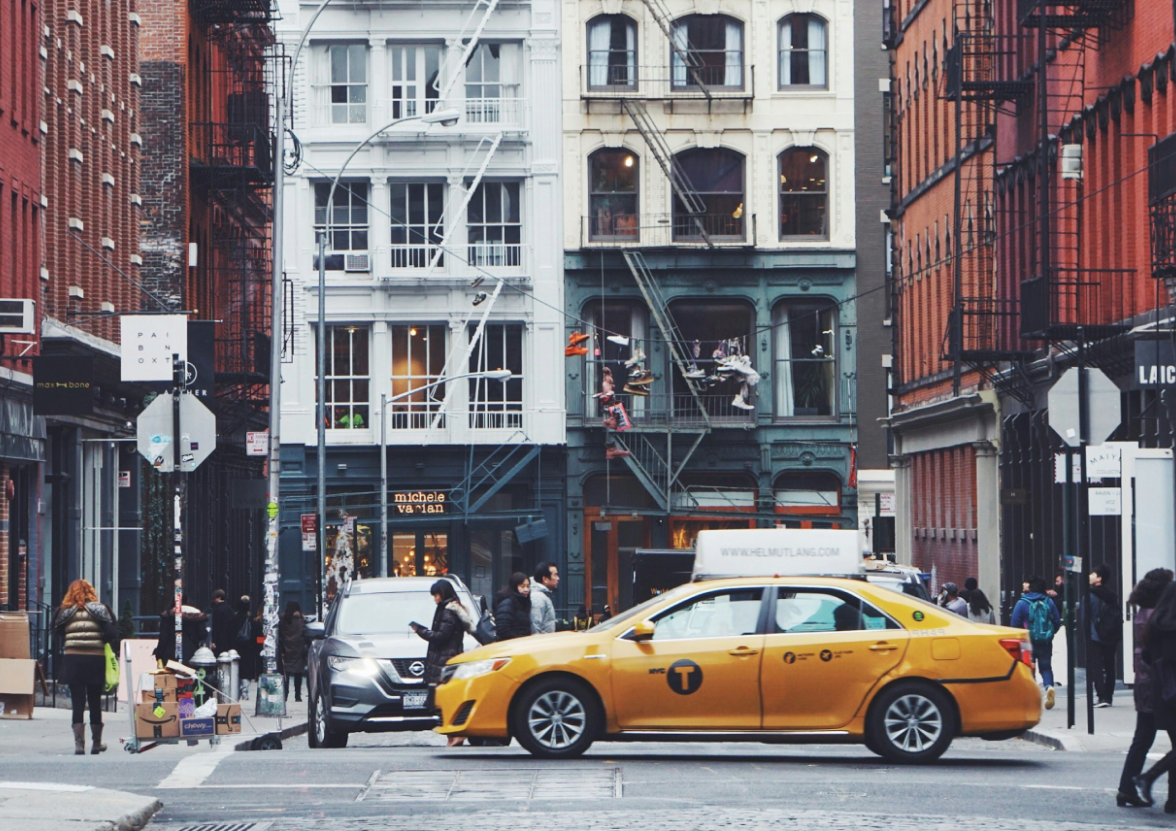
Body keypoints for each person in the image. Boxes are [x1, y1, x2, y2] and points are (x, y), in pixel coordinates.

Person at [1116, 568, 1174, 808]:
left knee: (1142, 738)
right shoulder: (1161, 615)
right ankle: (1166, 795)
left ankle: (1127, 787)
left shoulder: (1143, 613)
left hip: (1145, 682)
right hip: (1161, 683)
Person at [52, 579, 118, 755]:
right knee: (95, 701)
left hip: (73, 660)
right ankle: (97, 743)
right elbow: (112, 633)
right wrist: (99, 641)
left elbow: (56, 632)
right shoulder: (99, 610)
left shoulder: (64, 612)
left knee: (78, 702)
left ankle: (79, 744)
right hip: (95, 660)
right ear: (91, 591)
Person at [411, 579, 474, 747]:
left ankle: (456, 735)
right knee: (445, 699)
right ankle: (453, 735)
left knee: (444, 699)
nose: (435, 599)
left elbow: (440, 637)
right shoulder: (448, 609)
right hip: (444, 659)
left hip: (445, 661)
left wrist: (421, 631)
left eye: (437, 595)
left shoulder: (448, 612)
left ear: (443, 593)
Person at [1133, 580, 1176, 810]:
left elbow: (1148, 658)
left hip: (1162, 691)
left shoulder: (1155, 623)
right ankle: (1148, 777)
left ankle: (1173, 800)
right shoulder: (1173, 627)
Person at [1011, 576, 1061, 710]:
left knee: (1029, 668)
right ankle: (1049, 687)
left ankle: (1033, 697)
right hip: (1045, 641)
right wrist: (1050, 634)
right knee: (1046, 667)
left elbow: (1014, 624)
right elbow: (1057, 621)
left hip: (1027, 642)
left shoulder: (1022, 603)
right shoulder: (1048, 602)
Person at [1085, 564, 1122, 708]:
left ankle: (1101, 697)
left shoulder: (1091, 595)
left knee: (1097, 667)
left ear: (1099, 578)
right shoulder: (1112, 596)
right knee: (1110, 665)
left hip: (1096, 636)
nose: (1089, 576)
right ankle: (1109, 696)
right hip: (1111, 635)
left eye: (1092, 574)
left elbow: (1086, 618)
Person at [153, 596, 208, 664]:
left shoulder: (168, 616)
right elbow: (202, 635)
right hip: (191, 654)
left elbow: (163, 638)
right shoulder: (197, 616)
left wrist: (159, 653)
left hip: (171, 655)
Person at [278, 601, 308, 703]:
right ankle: (297, 695)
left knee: (286, 672)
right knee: (298, 673)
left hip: (286, 648)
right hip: (298, 649)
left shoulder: (283, 619)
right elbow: (304, 633)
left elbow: (280, 634)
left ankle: (285, 694)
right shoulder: (301, 620)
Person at [233, 596, 258, 700]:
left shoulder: (234, 618)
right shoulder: (251, 619)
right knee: (246, 670)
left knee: (237, 669)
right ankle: (245, 690)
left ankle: (236, 691)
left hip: (236, 647)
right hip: (248, 648)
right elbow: (256, 634)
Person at [495, 572, 532, 641]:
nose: (526, 589)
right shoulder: (508, 603)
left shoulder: (524, 602)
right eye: (522, 586)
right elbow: (503, 628)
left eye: (528, 586)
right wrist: (517, 639)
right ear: (515, 586)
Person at [530, 562, 560, 635]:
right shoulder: (537, 597)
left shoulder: (542, 595)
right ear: (545, 579)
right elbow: (535, 626)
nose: (558, 578)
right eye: (555, 575)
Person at [209, 588, 236, 655]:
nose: (213, 600)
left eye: (214, 598)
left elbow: (216, 626)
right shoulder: (230, 609)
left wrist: (214, 641)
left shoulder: (217, 610)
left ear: (219, 598)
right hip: (229, 638)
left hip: (220, 640)